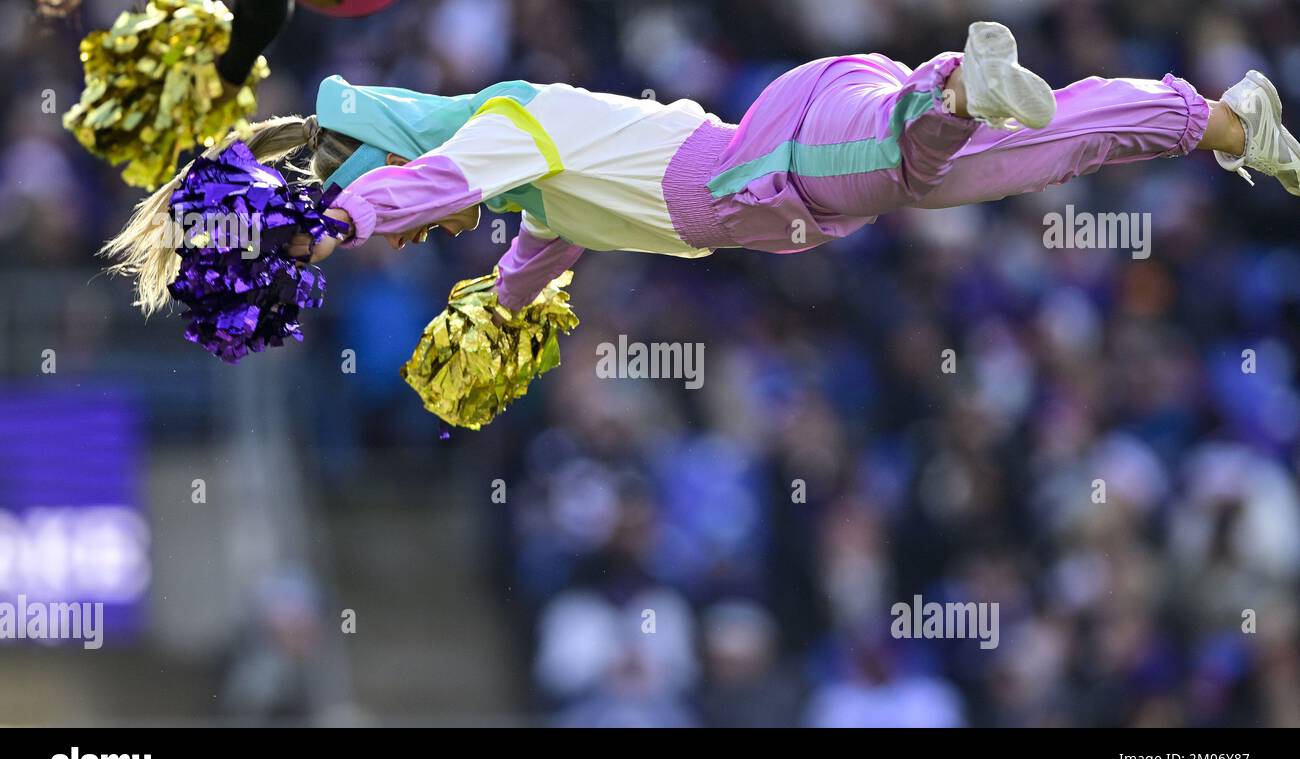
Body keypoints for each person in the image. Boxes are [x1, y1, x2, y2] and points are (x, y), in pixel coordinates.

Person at [107, 22, 1295, 317]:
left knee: (921, 165)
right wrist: (496, 309)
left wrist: (322, 227)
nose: (425, 228)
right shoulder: (531, 180)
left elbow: (437, 188)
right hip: (789, 173)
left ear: (389, 153)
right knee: (1010, 159)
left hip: (785, 150)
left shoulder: (505, 124)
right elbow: (540, 242)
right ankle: (1221, 123)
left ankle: (945, 92)